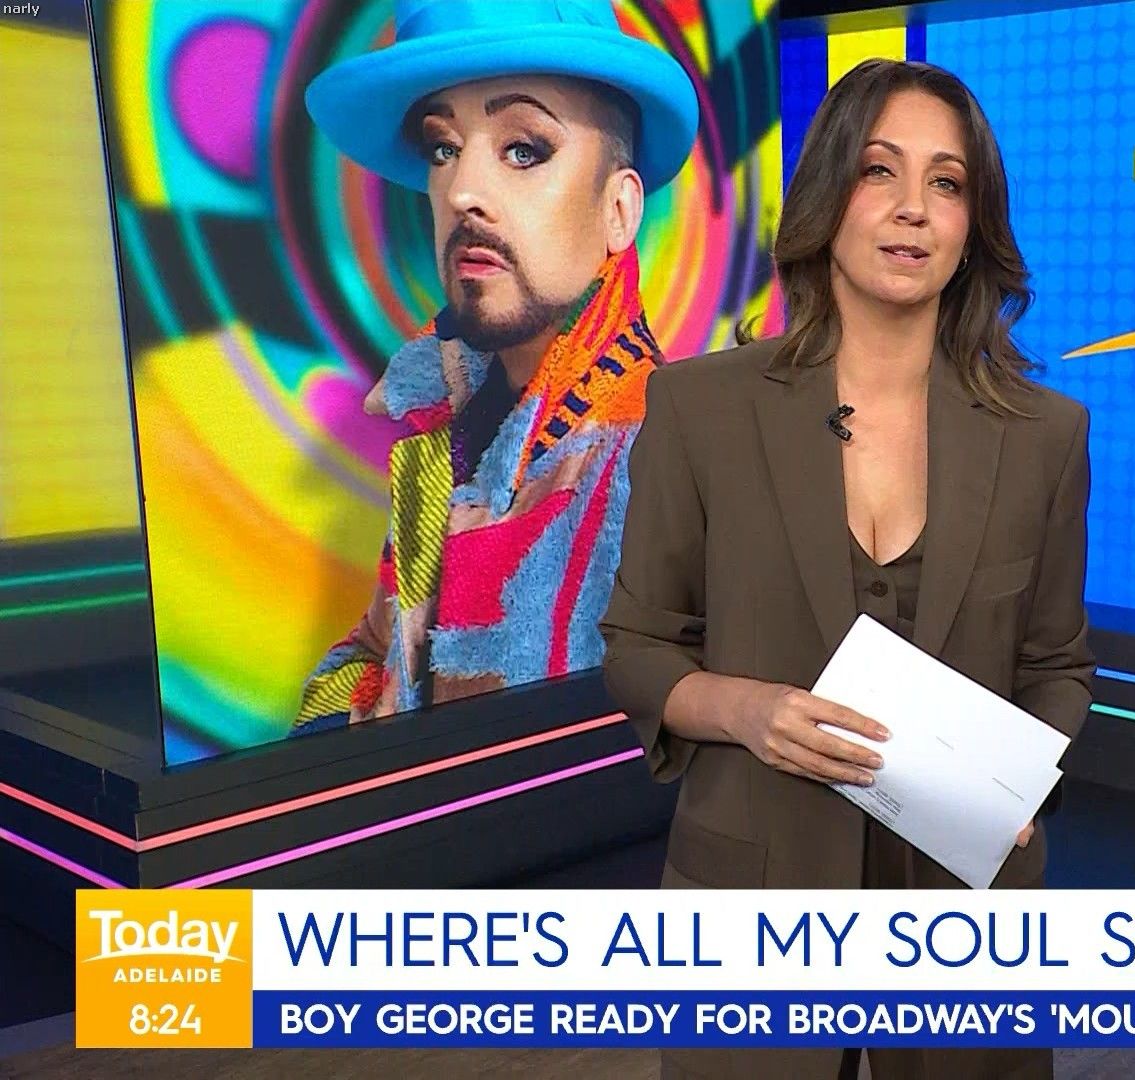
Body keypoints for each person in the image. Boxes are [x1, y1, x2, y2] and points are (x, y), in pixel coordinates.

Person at [600, 58, 1094, 1080]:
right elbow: (640, 649)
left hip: (968, 916)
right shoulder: (701, 409)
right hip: (755, 904)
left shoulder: (1045, 435)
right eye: (880, 171)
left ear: (973, 225)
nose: (914, 209)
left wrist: (1015, 790)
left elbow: (1056, 665)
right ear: (830, 194)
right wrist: (748, 711)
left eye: (947, 183)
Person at [290, 0, 697, 732]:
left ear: (619, 210)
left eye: (523, 151)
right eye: (443, 149)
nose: (461, 193)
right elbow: (377, 651)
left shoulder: (673, 453)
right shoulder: (443, 434)